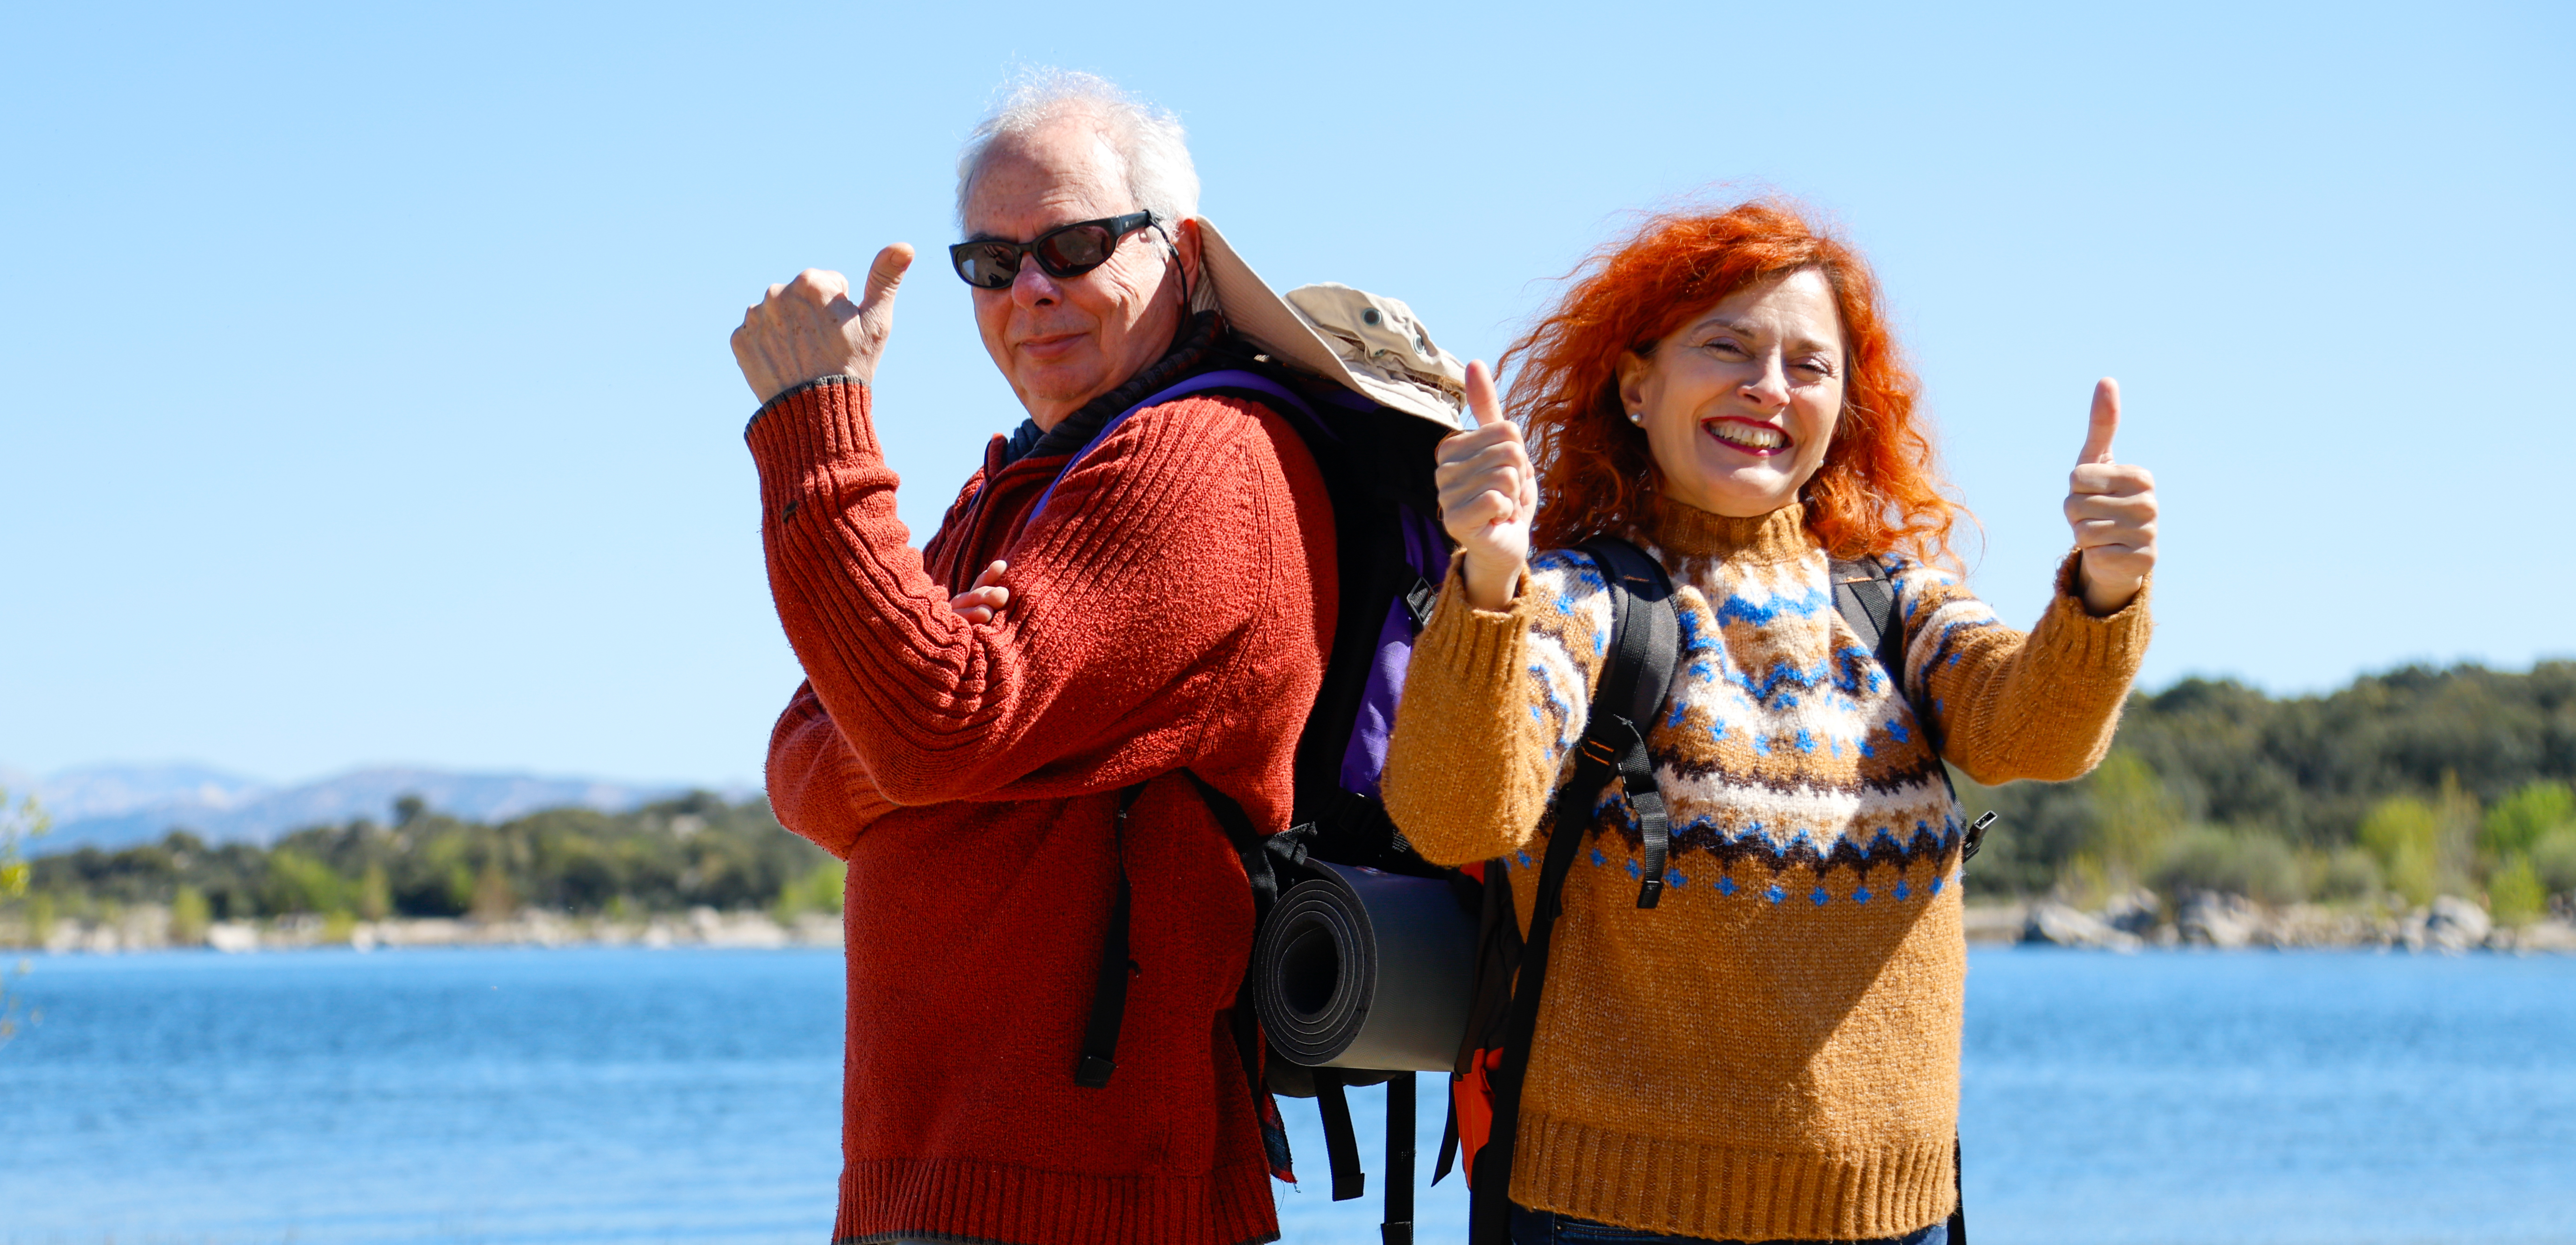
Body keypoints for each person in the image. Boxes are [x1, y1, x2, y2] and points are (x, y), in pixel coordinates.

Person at [1382, 201, 2158, 1244]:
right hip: (1608, 1214)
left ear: (1846, 405)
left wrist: (2104, 589)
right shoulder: (1569, 601)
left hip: (1892, 1215)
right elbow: (1454, 813)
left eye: (1810, 365)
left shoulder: (1894, 604)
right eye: (1728, 346)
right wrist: (1485, 576)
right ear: (1636, 383)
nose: (1769, 388)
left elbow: (2036, 732)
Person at [728, 71, 1332, 1245]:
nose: (1033, 289)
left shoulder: (1203, 459)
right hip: (931, 1181)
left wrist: (817, 417)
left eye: (1076, 242)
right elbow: (801, 761)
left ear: (1185, 253)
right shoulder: (1012, 482)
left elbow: (931, 717)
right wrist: (925, 745)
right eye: (994, 265)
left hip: (1103, 1199)